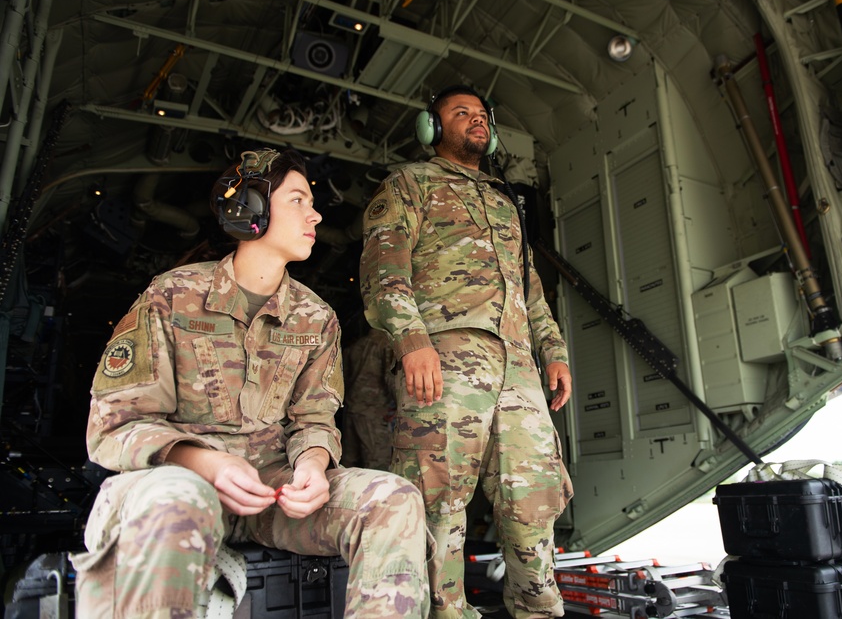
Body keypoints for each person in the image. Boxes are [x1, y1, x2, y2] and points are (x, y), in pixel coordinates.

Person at [71, 148, 430, 619]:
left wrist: (314, 466)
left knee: (393, 498)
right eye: (298, 200)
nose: (316, 214)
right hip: (182, 484)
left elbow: (315, 419)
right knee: (175, 497)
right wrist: (205, 463)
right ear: (251, 210)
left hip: (274, 495)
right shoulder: (172, 295)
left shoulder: (316, 317)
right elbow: (113, 426)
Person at [359, 86, 574, 619]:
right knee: (437, 503)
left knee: (536, 499)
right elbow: (384, 268)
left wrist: (554, 350)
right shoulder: (410, 183)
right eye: (461, 114)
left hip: (519, 370)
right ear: (432, 128)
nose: (475, 121)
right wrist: (411, 340)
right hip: (446, 361)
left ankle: (540, 611)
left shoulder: (504, 202)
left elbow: (530, 290)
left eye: (482, 116)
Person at [341, 325, 397, 470]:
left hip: (351, 407)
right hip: (374, 411)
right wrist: (399, 407)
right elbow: (390, 378)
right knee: (378, 463)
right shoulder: (386, 345)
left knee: (348, 461)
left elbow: (343, 378)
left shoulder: (356, 345)